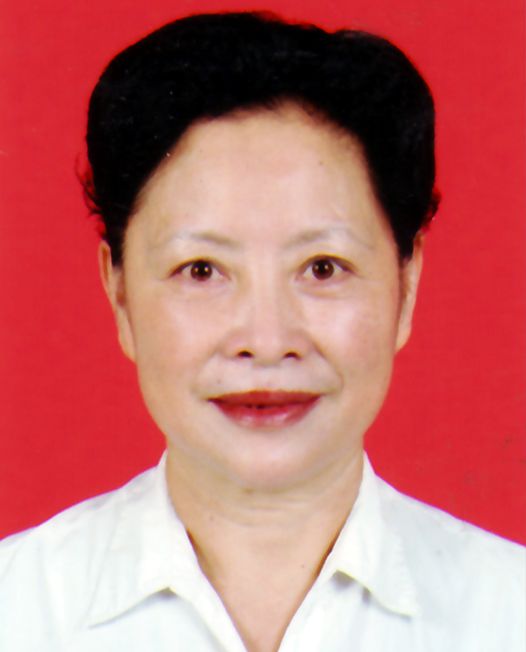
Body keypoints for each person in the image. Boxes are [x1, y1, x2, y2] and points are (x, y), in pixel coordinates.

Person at [0, 11, 524, 652]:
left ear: (406, 286)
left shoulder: (507, 613)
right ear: (120, 293)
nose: (268, 340)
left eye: (323, 268)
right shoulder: (19, 611)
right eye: (201, 270)